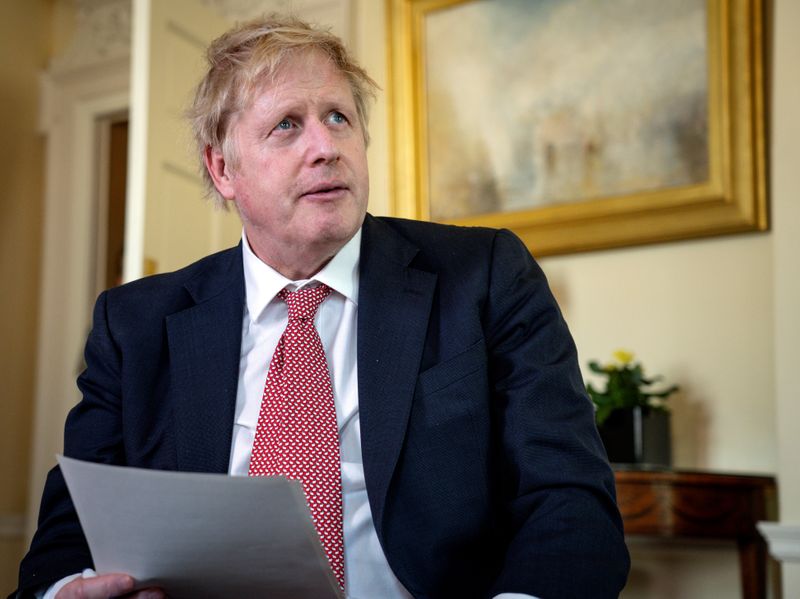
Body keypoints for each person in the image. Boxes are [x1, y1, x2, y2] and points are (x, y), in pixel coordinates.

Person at [13, 15, 629, 599]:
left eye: (339, 117)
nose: (325, 146)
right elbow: (68, 536)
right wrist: (69, 588)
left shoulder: (484, 276)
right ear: (222, 168)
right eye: (287, 124)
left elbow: (570, 496)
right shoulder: (135, 324)